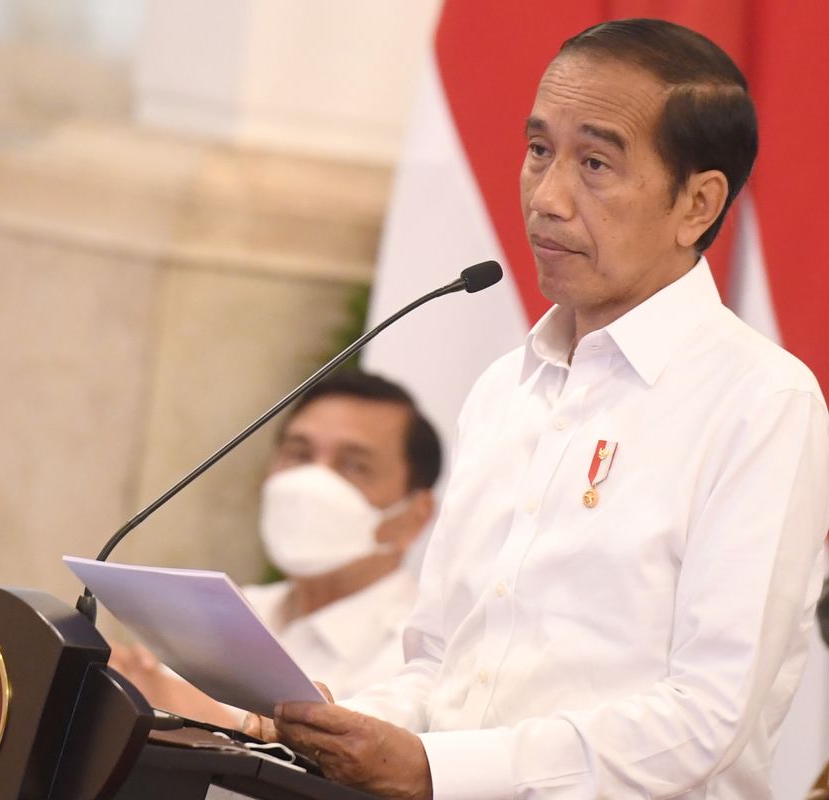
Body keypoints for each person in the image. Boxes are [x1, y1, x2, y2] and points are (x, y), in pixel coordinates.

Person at [249, 18, 829, 799]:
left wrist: (437, 770)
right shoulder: (504, 389)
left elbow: (707, 719)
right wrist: (340, 724)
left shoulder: (763, 402)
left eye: (595, 163)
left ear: (697, 204)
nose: (547, 197)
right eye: (537, 151)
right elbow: (441, 667)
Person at [112, 370, 440, 727]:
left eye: (354, 465)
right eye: (298, 455)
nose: (311, 485)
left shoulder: (423, 655)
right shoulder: (226, 609)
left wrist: (193, 713)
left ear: (415, 516)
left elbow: (353, 772)